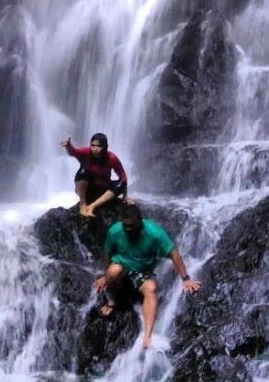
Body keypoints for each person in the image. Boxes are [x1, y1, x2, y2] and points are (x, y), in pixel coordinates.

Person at [94, 203, 201, 349]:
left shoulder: (155, 233)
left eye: (131, 225)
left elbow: (174, 254)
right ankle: (112, 301)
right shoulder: (115, 231)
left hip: (142, 271)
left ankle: (147, 336)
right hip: (120, 266)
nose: (128, 229)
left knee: (151, 288)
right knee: (113, 271)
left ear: (140, 220)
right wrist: (105, 275)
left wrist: (186, 279)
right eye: (125, 225)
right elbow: (107, 252)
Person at [61, 132, 129, 218]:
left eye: (99, 146)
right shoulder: (86, 152)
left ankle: (91, 207)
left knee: (122, 183)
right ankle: (83, 205)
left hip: (103, 190)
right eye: (93, 145)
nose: (95, 149)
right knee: (83, 170)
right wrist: (68, 146)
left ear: (105, 147)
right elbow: (73, 152)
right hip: (87, 188)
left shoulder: (112, 158)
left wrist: (125, 196)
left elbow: (123, 176)